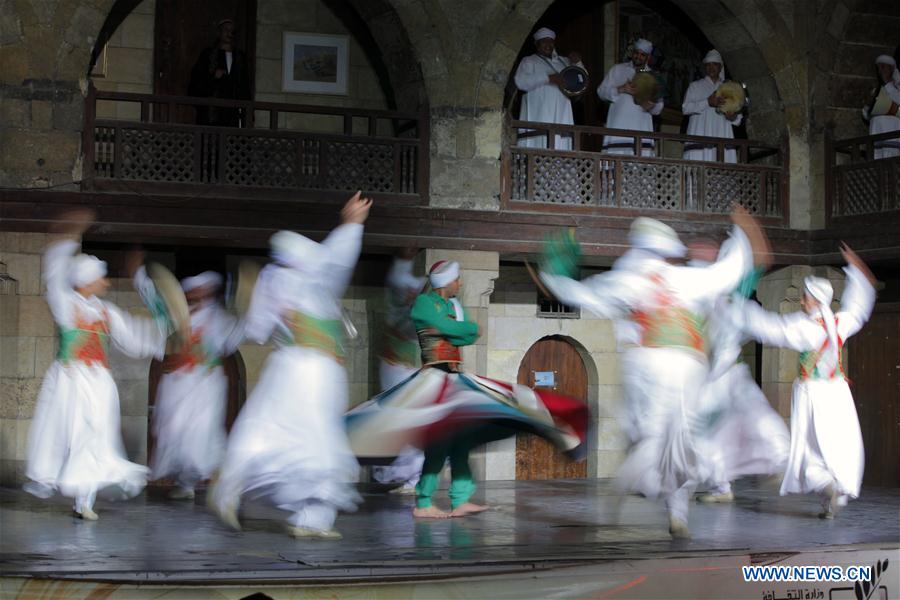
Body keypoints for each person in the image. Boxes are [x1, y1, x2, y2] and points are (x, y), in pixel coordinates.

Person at [539, 209, 768, 538]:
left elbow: (582, 294)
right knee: (679, 440)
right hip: (686, 365)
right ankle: (677, 514)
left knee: (651, 438)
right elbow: (728, 272)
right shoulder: (686, 278)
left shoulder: (629, 279)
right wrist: (744, 234)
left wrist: (555, 275)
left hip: (646, 364)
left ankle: (626, 486)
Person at [347, 260, 588, 519]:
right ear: (446, 281)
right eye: (457, 279)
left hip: (455, 378)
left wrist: (455, 329)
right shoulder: (425, 303)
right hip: (432, 378)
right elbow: (455, 329)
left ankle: (460, 499)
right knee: (439, 442)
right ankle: (424, 501)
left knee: (460, 441)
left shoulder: (453, 306)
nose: (459, 283)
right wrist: (456, 329)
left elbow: (467, 335)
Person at [209, 192, 371, 539]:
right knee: (284, 435)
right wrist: (351, 226)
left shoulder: (316, 281)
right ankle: (231, 484)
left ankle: (310, 518)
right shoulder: (282, 280)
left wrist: (351, 225)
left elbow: (333, 259)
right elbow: (257, 326)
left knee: (316, 442)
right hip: (298, 370)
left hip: (322, 372)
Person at [23, 210, 167, 520]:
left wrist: (161, 324)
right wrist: (66, 238)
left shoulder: (107, 311)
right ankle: (72, 490)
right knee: (74, 435)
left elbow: (135, 337)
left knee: (97, 436)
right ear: (86, 282)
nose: (104, 282)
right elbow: (54, 276)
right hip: (71, 379)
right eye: (100, 277)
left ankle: (84, 501)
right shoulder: (66, 303)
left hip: (100, 382)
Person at [726, 243, 876, 518]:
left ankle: (826, 485)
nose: (802, 301)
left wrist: (737, 307)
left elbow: (770, 328)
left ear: (816, 301)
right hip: (838, 393)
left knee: (807, 446)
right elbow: (858, 308)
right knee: (838, 443)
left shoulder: (803, 327)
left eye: (805, 298)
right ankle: (833, 494)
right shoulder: (841, 321)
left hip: (813, 394)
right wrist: (858, 273)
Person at [686, 243, 789, 503]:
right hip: (708, 377)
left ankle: (778, 460)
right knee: (705, 434)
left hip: (729, 373)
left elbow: (759, 262)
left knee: (755, 413)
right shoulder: (700, 292)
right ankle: (721, 487)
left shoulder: (732, 301)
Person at [140, 270, 242, 500]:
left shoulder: (218, 317)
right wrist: (139, 276)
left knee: (201, 433)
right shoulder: (176, 313)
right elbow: (153, 300)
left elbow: (234, 336)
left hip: (204, 385)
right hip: (178, 384)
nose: (197, 294)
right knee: (175, 431)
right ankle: (185, 484)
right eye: (193, 291)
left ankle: (222, 479)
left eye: (203, 290)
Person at [371, 251, 427, 494]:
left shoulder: (420, 310)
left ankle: (415, 479)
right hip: (396, 368)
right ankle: (404, 476)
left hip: (412, 371)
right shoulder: (398, 303)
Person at [513, 27, 586, 150]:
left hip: (562, 112)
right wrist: (548, 78)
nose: (548, 44)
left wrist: (578, 63)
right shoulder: (529, 61)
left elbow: (581, 82)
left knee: (561, 142)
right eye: (544, 41)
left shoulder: (563, 61)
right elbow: (520, 82)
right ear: (537, 44)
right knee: (539, 142)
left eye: (550, 41)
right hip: (539, 112)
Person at [597, 38, 663, 156]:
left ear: (648, 57)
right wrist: (621, 89)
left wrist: (647, 103)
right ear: (632, 53)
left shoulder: (653, 76)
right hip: (618, 126)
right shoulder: (617, 69)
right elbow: (601, 92)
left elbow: (658, 108)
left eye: (642, 54)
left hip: (641, 126)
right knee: (615, 163)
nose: (638, 56)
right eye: (636, 53)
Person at [188, 18, 252, 127]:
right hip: (212, 111)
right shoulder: (208, 54)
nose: (229, 33)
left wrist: (249, 112)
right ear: (219, 33)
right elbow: (196, 81)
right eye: (226, 30)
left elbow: (245, 84)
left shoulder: (240, 56)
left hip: (233, 111)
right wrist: (213, 77)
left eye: (232, 30)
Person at [682, 50, 742, 163]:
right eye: (708, 65)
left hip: (722, 135)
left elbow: (738, 119)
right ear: (705, 67)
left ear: (720, 67)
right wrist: (707, 103)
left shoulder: (729, 88)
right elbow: (685, 109)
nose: (711, 67)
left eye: (715, 64)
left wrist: (732, 116)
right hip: (700, 136)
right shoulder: (695, 86)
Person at [863, 55, 900, 159]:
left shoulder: (898, 88)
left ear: (891, 68)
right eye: (878, 68)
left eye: (883, 67)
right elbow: (867, 115)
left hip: (893, 132)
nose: (880, 71)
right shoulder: (876, 90)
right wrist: (868, 107)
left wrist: (888, 84)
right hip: (877, 130)